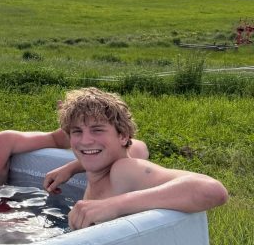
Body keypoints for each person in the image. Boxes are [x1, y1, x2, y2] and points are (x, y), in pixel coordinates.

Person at [44, 87, 228, 230]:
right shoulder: (111, 166)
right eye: (77, 131)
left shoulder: (123, 171)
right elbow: (139, 146)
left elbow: (212, 190)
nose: (85, 140)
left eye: (97, 130)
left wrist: (112, 205)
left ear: (123, 136)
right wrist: (73, 167)